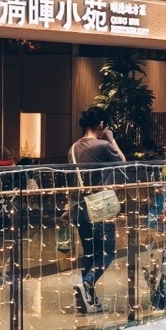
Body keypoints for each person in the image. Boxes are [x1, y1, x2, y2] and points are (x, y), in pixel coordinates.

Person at [69, 106, 124, 314]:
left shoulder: (73, 148)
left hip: (81, 206)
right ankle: (88, 283)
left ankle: (88, 300)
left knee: (90, 253)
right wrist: (111, 137)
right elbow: (122, 162)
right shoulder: (102, 145)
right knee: (108, 251)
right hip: (101, 206)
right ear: (101, 124)